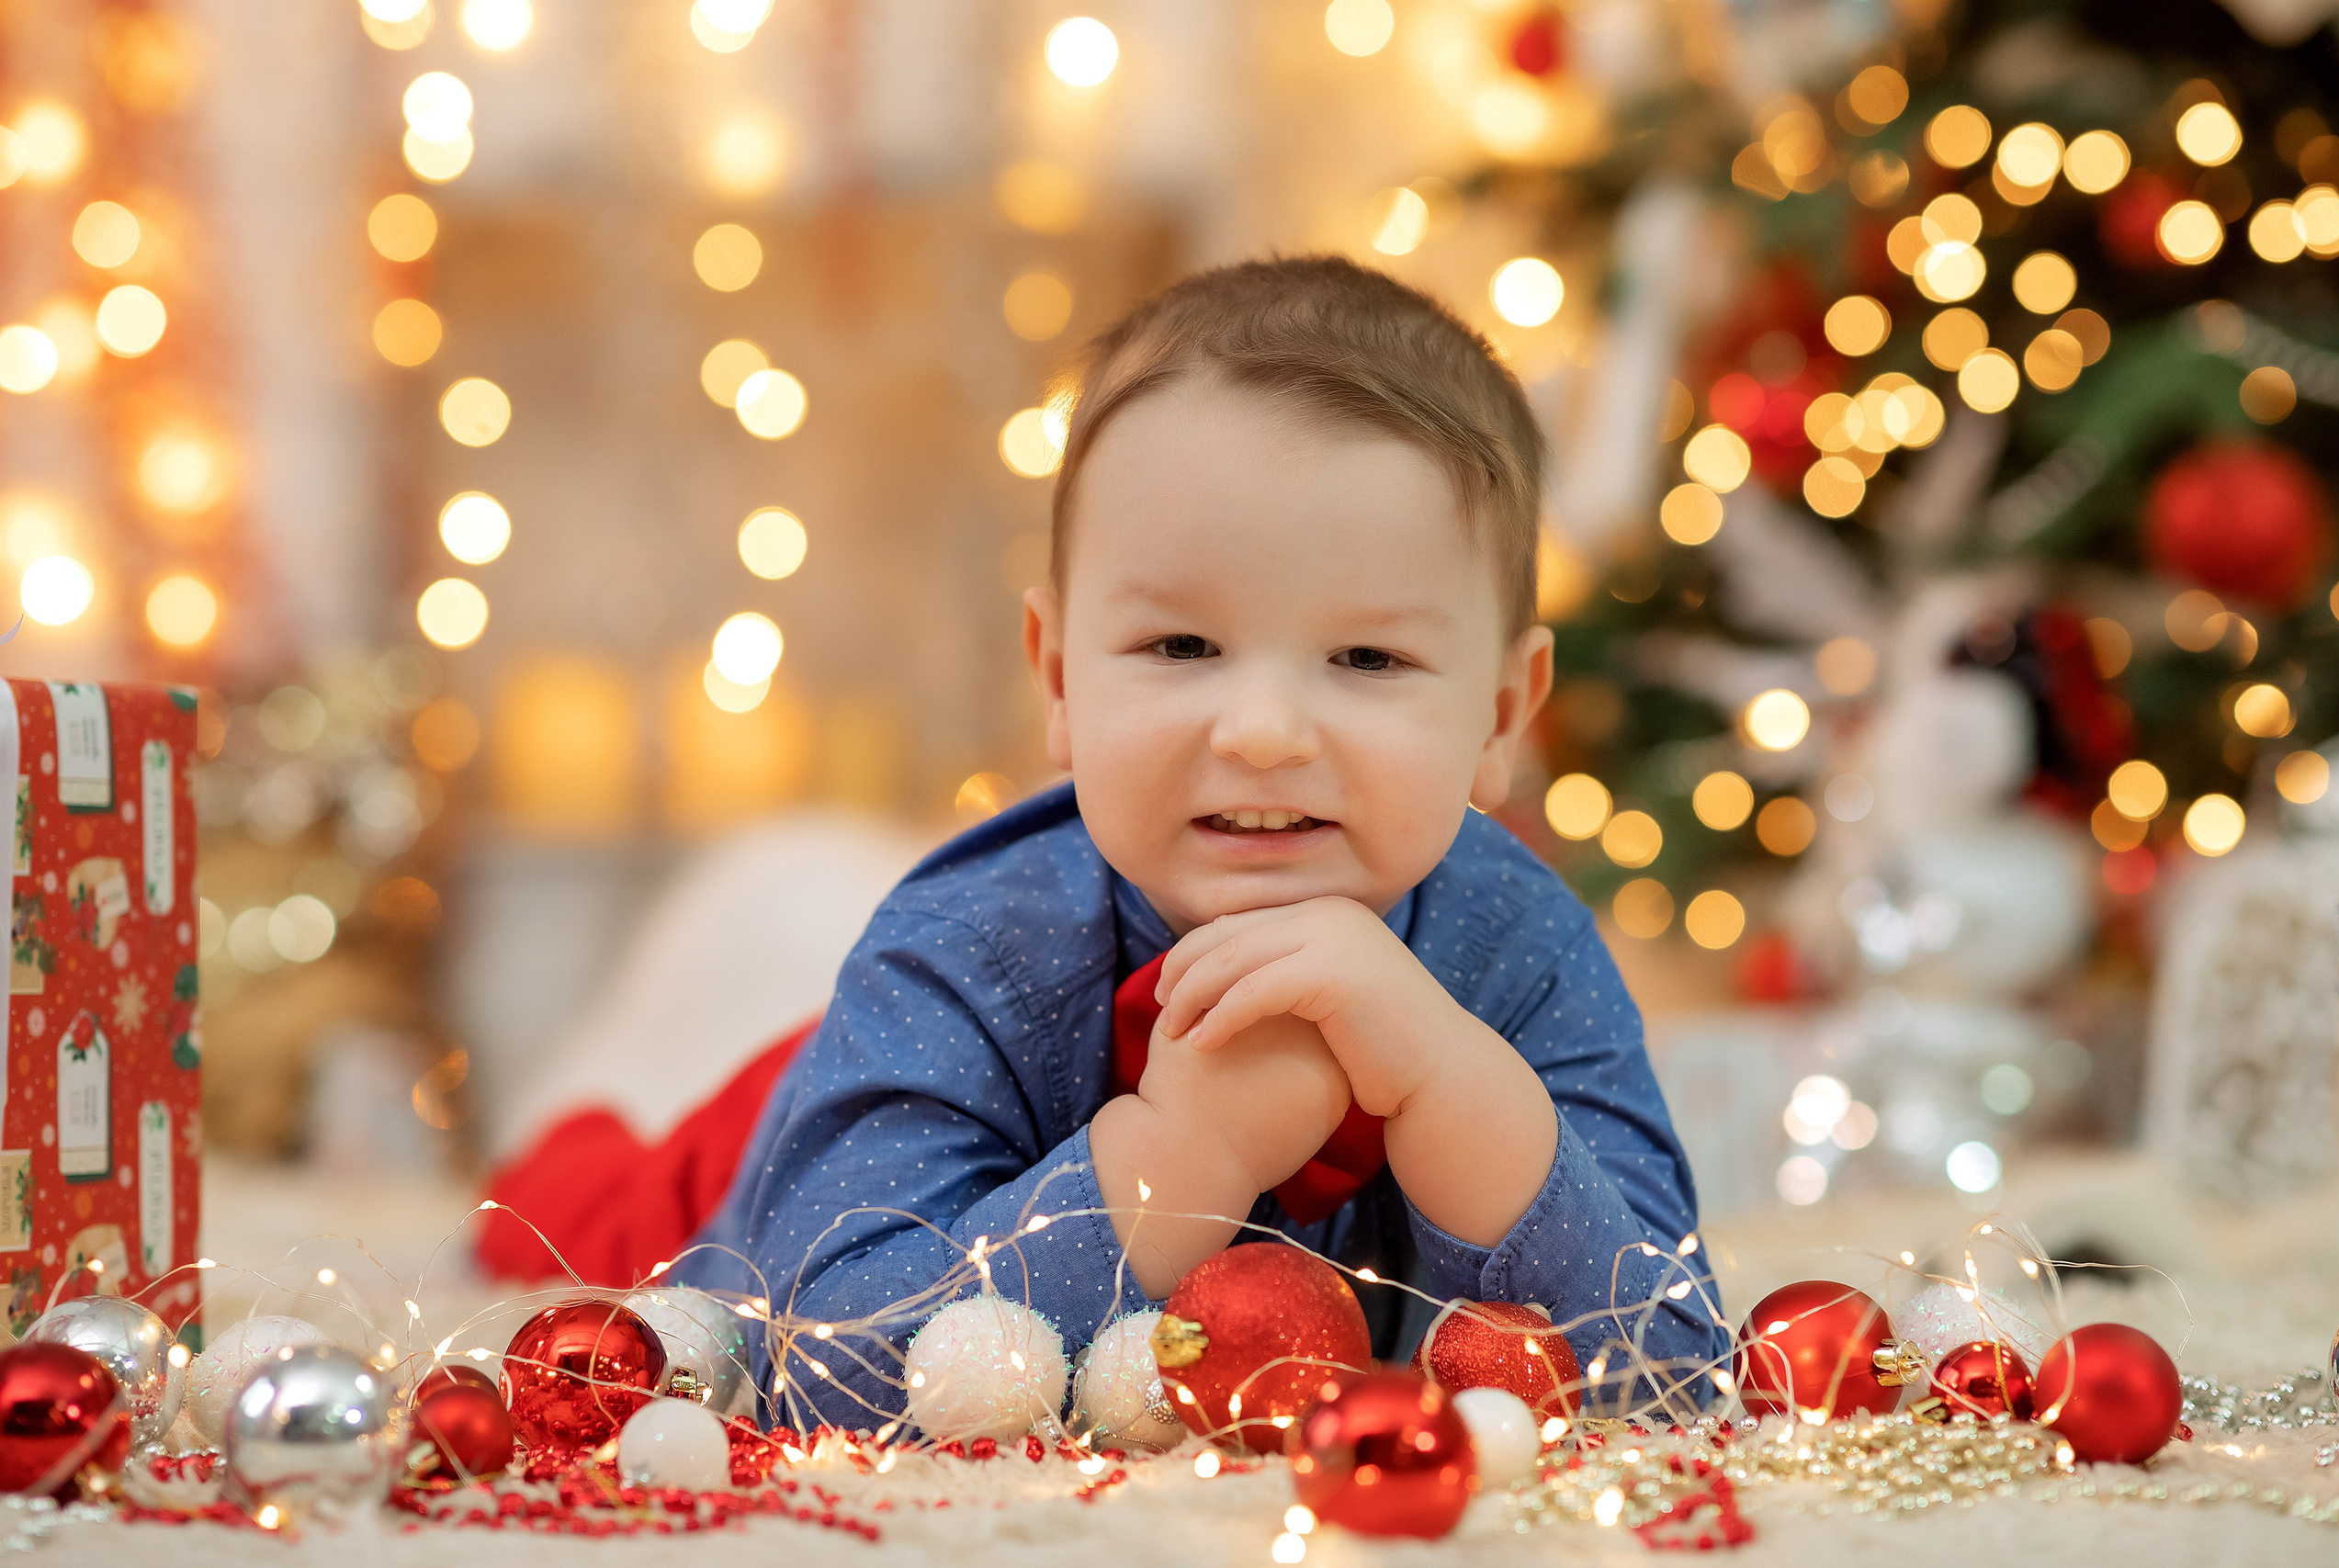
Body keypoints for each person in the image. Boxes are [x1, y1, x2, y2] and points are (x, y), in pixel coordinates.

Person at [678, 255, 1725, 1432]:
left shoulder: (1518, 950)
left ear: (1499, 715)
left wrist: (1450, 1087)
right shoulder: (966, 949)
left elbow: (1680, 1384)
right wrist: (1177, 1158)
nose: (1266, 732)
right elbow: (817, 1379)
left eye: (1367, 659)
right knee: (610, 1197)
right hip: (770, 1152)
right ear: (1060, 677)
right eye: (1181, 646)